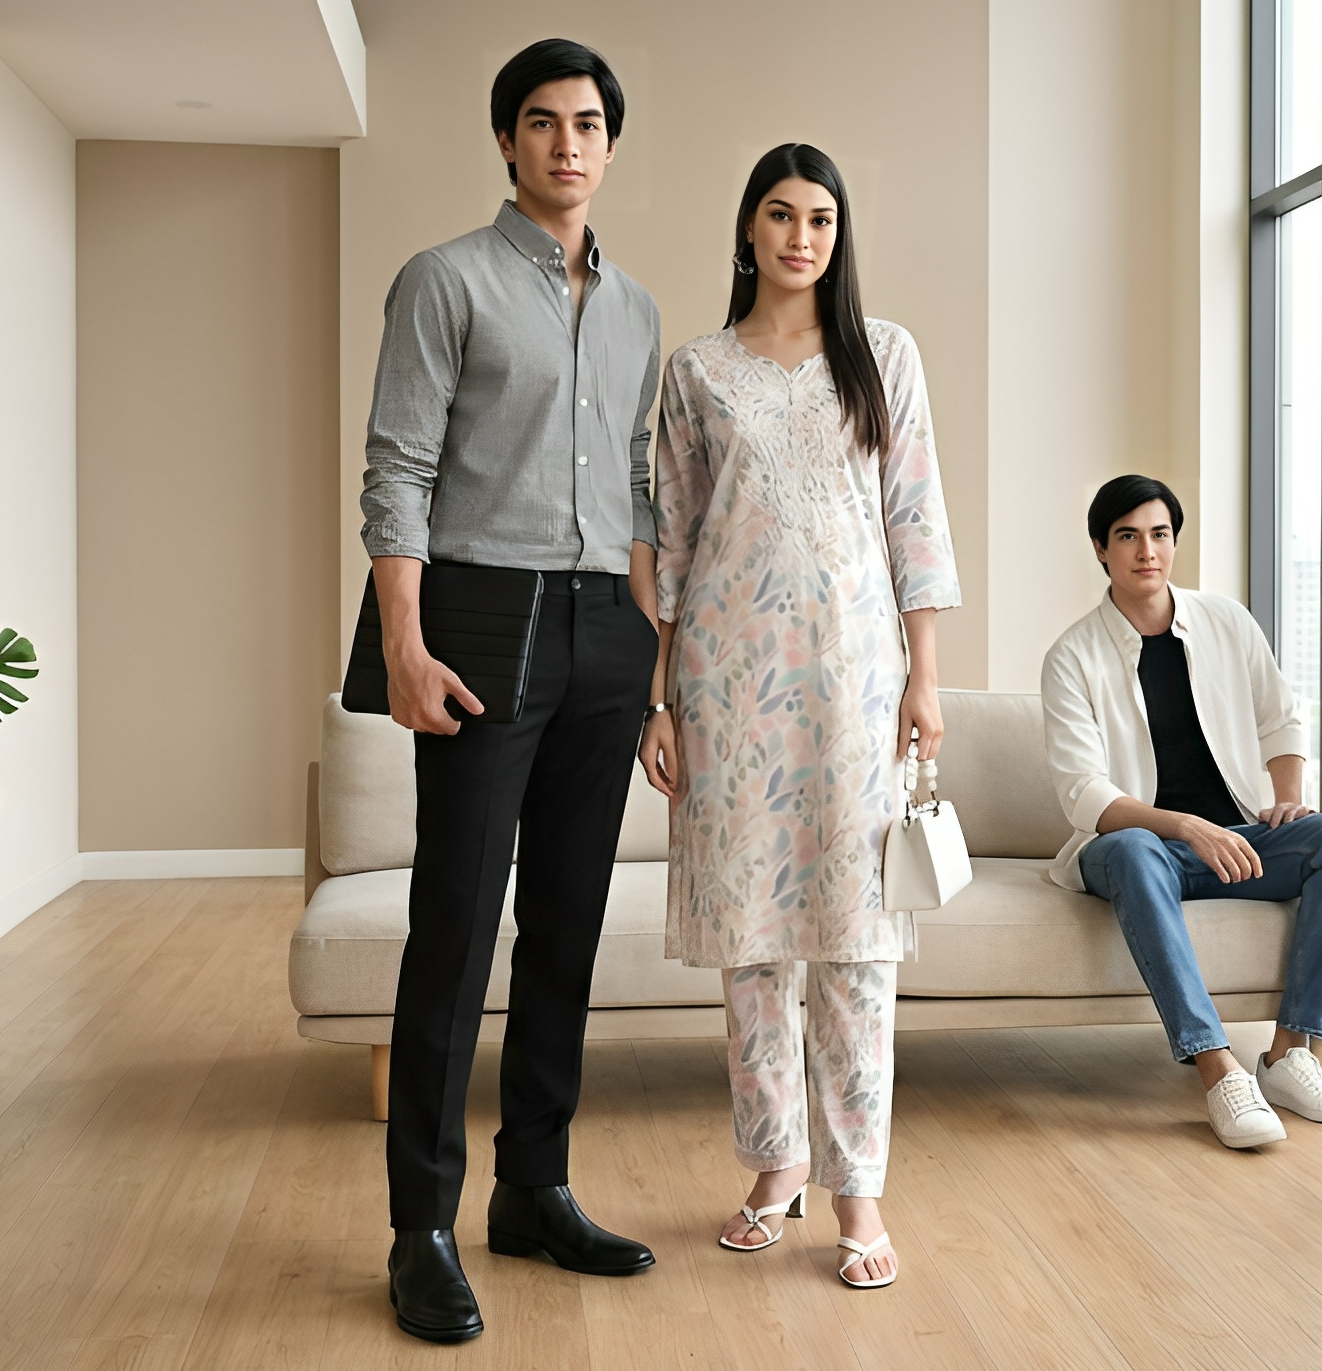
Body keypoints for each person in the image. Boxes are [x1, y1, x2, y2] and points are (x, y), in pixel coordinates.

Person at [359, 39, 662, 1344]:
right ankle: (420, 1221)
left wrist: (658, 667)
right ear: (506, 142)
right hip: (482, 616)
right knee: (456, 927)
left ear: (608, 142)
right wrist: (404, 645)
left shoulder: (641, 309)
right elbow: (396, 469)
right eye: (540, 122)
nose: (565, 143)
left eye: (586, 123)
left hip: (608, 624)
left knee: (567, 924)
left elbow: (649, 496)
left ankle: (533, 1185)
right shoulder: (445, 280)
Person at [638, 143, 959, 1292]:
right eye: (780, 215)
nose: (801, 237)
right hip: (727, 686)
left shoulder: (886, 359)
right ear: (749, 230)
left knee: (858, 942)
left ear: (840, 235)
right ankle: (774, 1165)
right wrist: (660, 697)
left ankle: (857, 1187)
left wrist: (926, 679)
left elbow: (915, 521)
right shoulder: (697, 371)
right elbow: (669, 547)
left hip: (857, 685)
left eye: (821, 218)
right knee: (756, 948)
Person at [1041, 476, 1322, 1149]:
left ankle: (1290, 1055)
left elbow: (1281, 717)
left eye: (1159, 533)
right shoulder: (1072, 656)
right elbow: (1084, 794)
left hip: (1235, 839)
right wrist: (1183, 824)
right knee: (1136, 847)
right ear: (1100, 550)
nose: (1147, 550)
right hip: (1141, 851)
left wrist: (1283, 796)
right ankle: (1216, 1067)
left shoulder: (1224, 620)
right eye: (1128, 536)